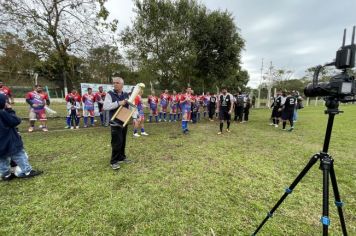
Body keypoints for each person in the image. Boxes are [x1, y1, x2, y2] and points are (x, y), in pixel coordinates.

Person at [0, 94, 42, 181]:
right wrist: (9, 110)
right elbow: (15, 121)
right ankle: (27, 171)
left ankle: (6, 174)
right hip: (9, 141)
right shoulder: (2, 113)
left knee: (2, 158)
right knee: (19, 154)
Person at [103, 77, 131, 170]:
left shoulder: (126, 94)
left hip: (124, 120)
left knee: (123, 141)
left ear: (122, 84)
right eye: (114, 83)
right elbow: (106, 106)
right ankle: (114, 161)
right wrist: (119, 103)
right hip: (115, 122)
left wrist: (135, 117)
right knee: (116, 142)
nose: (115, 84)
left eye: (117, 83)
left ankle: (121, 157)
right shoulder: (109, 94)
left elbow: (130, 106)